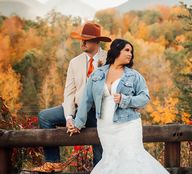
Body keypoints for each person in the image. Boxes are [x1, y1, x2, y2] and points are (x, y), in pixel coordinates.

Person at [67, 38, 169, 174]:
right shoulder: (97, 74)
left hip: (128, 125)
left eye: (131, 52)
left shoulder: (134, 76)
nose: (130, 54)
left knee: (131, 159)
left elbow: (144, 98)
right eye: (127, 50)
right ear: (116, 50)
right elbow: (86, 100)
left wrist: (125, 99)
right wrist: (78, 124)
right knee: (111, 161)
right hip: (105, 127)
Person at [32, 23, 112, 173]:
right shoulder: (74, 62)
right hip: (75, 109)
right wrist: (69, 117)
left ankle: (100, 169)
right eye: (81, 39)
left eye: (86, 40)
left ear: (96, 42)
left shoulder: (109, 59)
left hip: (97, 112)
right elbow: (69, 93)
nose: (82, 43)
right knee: (45, 117)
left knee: (100, 142)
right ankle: (53, 163)